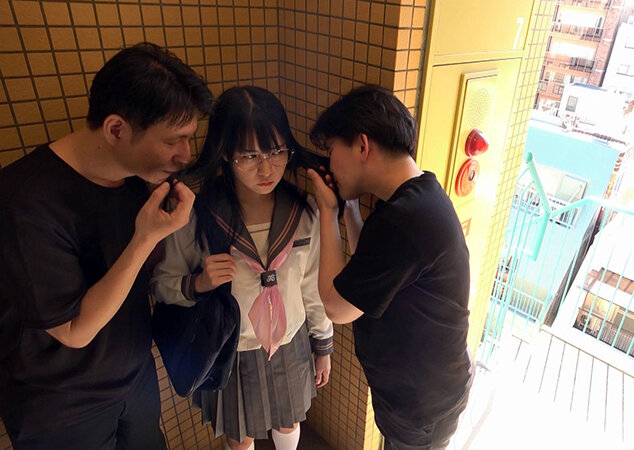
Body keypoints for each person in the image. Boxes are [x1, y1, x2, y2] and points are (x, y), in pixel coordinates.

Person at [0, 42, 211, 450]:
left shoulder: (136, 179)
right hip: (62, 404)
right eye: (174, 140)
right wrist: (146, 237)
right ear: (116, 129)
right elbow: (74, 330)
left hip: (135, 377)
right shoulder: (24, 201)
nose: (185, 155)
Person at [152, 86, 333, 450]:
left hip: (291, 341)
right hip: (231, 349)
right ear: (224, 153)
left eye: (277, 151)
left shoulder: (304, 212)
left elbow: (312, 286)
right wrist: (198, 283)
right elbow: (162, 284)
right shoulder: (196, 215)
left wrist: (323, 344)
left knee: (289, 420)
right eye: (250, 155)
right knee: (240, 434)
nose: (266, 168)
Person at [307, 85, 474, 450]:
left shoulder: (406, 218)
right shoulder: (416, 195)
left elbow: (336, 307)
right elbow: (371, 265)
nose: (330, 164)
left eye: (332, 151)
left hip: (421, 408)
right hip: (429, 390)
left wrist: (328, 212)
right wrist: (349, 208)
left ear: (362, 146)